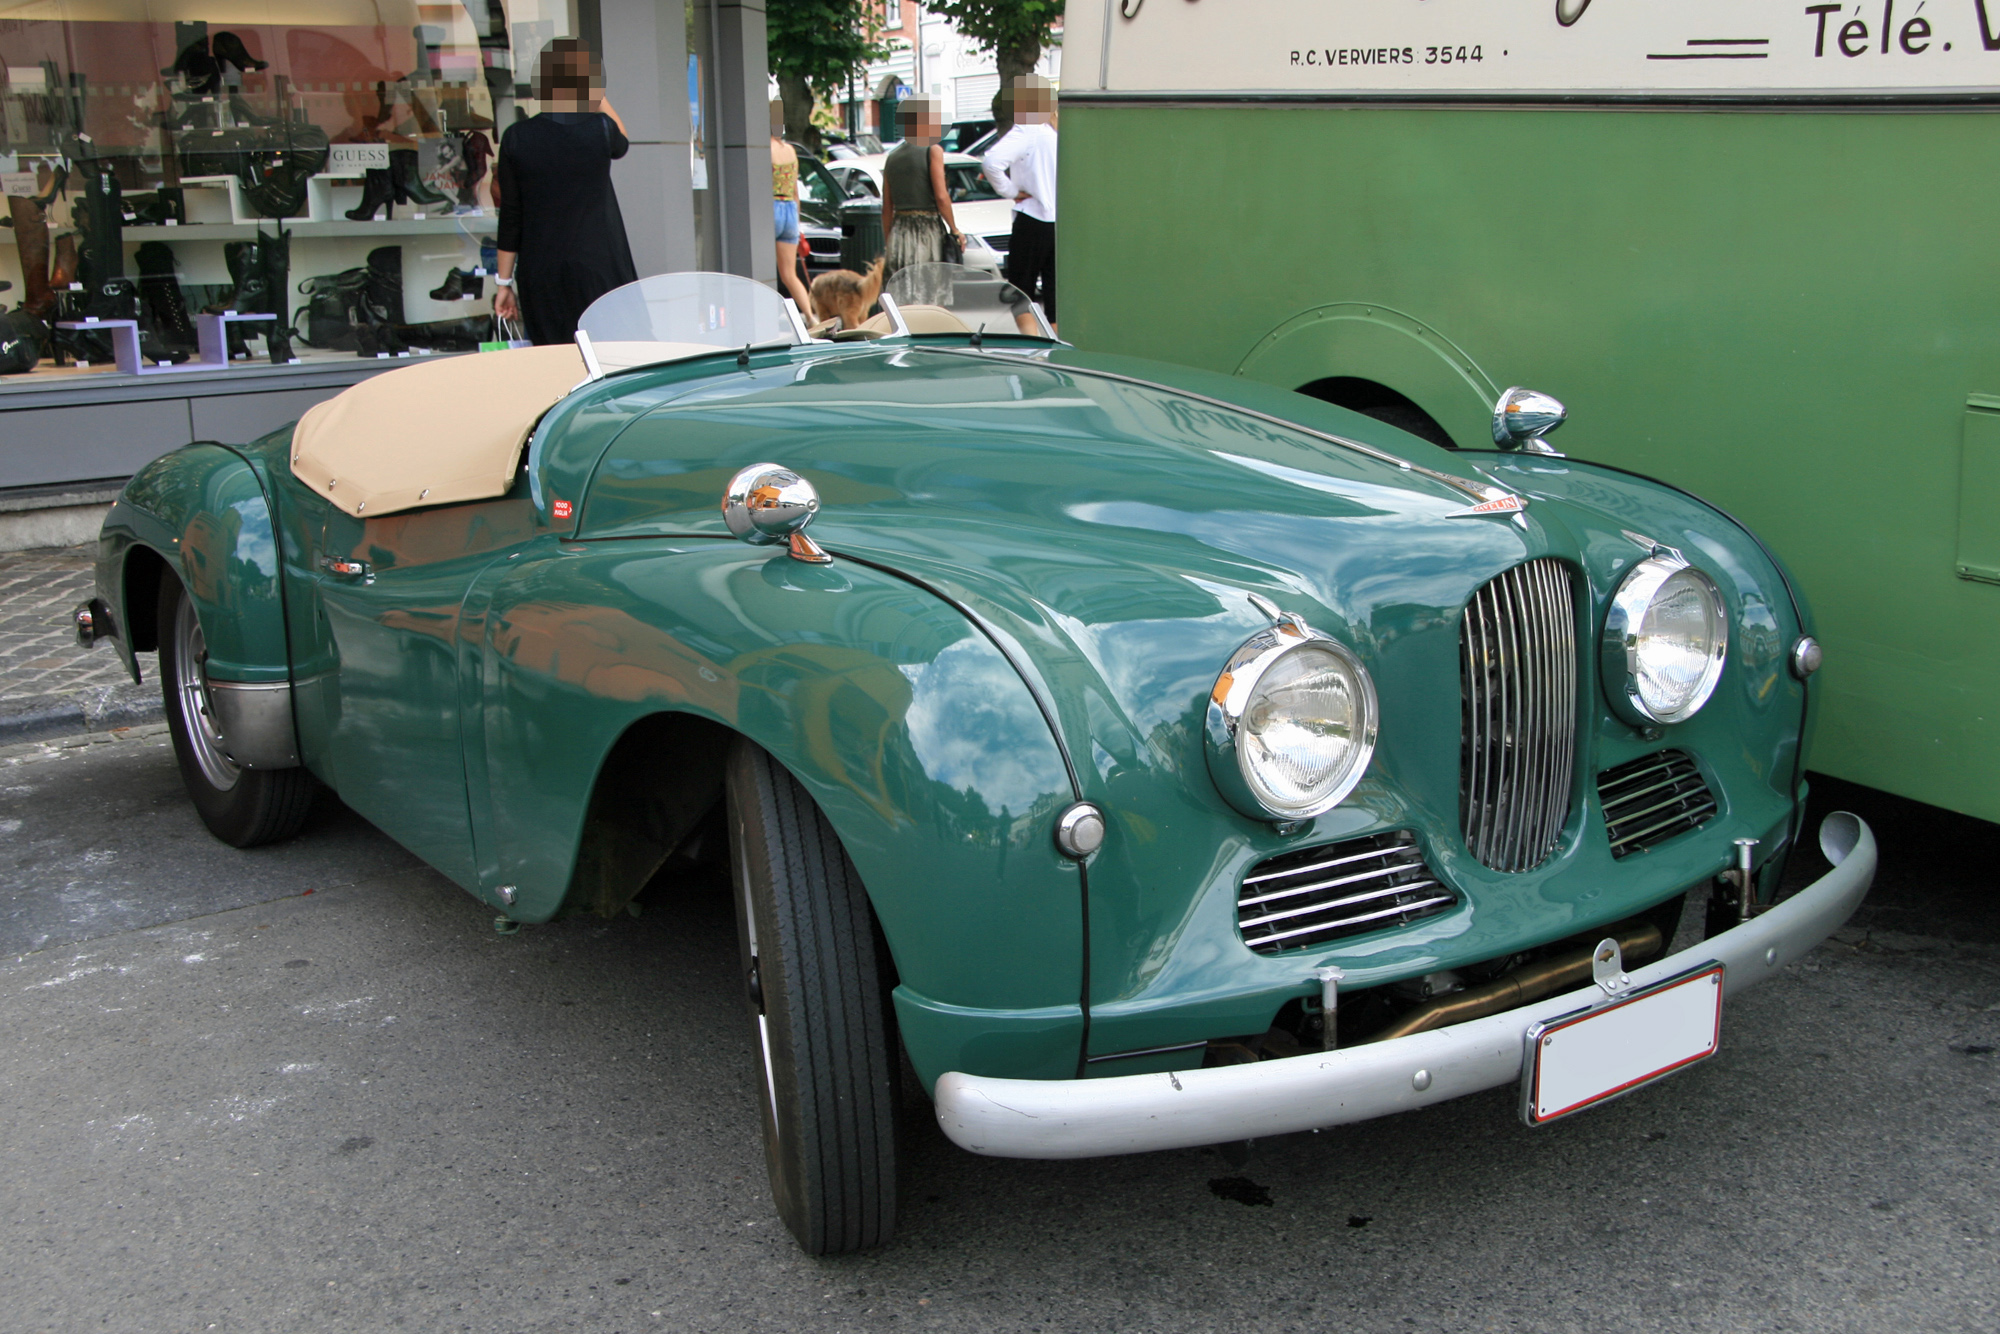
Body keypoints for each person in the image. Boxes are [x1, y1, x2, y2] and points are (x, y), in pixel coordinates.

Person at [492, 40, 638, 346]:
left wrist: (503, 283)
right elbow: (622, 141)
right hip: (599, 267)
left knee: (553, 361)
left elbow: (511, 215)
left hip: (541, 271)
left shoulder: (516, 138)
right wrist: (596, 96)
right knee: (609, 357)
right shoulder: (600, 129)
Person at [982, 75, 1058, 332]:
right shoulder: (1055, 134)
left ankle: (1031, 343)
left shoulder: (1028, 130)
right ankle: (1054, 347)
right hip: (1058, 222)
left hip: (1033, 217)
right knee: (1054, 290)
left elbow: (991, 162)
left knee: (1020, 290)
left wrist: (1011, 190)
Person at [880, 97, 964, 297]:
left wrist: (889, 241)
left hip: (899, 232)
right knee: (928, 292)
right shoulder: (932, 149)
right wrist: (954, 229)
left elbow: (886, 208)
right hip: (926, 232)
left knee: (902, 296)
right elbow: (941, 197)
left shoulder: (892, 157)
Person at [770, 103, 817, 321]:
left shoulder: (764, 148)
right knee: (790, 274)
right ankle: (810, 315)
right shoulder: (790, 150)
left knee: (763, 269)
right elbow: (795, 190)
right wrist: (796, 224)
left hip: (771, 206)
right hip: (789, 208)